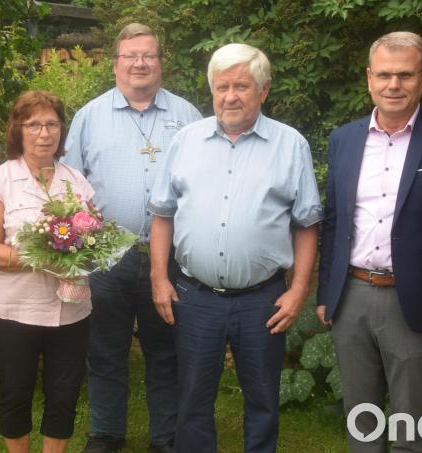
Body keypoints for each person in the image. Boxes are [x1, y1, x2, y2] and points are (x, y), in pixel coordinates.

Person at [148, 43, 323, 453]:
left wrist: (298, 290)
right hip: (195, 297)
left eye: (241, 86)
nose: (230, 96)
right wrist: (159, 278)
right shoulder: (186, 141)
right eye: (222, 86)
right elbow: (162, 214)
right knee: (193, 399)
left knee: (263, 401)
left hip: (263, 300)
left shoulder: (290, 145)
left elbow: (307, 223)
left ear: (263, 90)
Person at [316, 31, 422, 453]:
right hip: (351, 296)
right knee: (361, 422)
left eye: (405, 75)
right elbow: (334, 222)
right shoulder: (343, 140)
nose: (394, 85)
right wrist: (325, 294)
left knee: (411, 426)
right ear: (369, 78)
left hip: (413, 303)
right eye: (384, 75)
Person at [63, 23, 201, 453]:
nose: (140, 63)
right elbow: (70, 187)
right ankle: (105, 433)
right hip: (107, 255)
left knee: (165, 352)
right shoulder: (89, 117)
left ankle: (166, 437)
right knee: (105, 350)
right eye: (131, 56)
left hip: (170, 257)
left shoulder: (188, 116)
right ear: (115, 64)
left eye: (148, 55)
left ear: (160, 62)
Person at [0, 91, 93, 453]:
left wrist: (87, 251)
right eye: (34, 125)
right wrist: (45, 259)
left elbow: (92, 237)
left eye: (52, 124)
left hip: (71, 311)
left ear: (62, 130)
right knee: (15, 392)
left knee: (64, 395)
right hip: (14, 310)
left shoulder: (76, 180)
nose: (44, 133)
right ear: (18, 129)